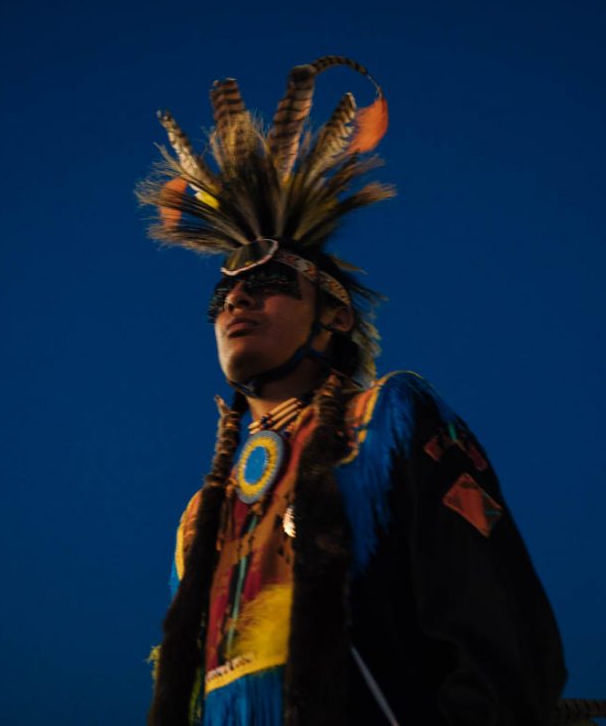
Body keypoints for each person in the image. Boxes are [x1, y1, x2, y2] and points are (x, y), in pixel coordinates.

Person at [139, 56, 567, 726]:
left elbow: (497, 639)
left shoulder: (386, 422)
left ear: (334, 314)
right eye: (222, 291)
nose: (238, 298)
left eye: (273, 281)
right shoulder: (201, 519)